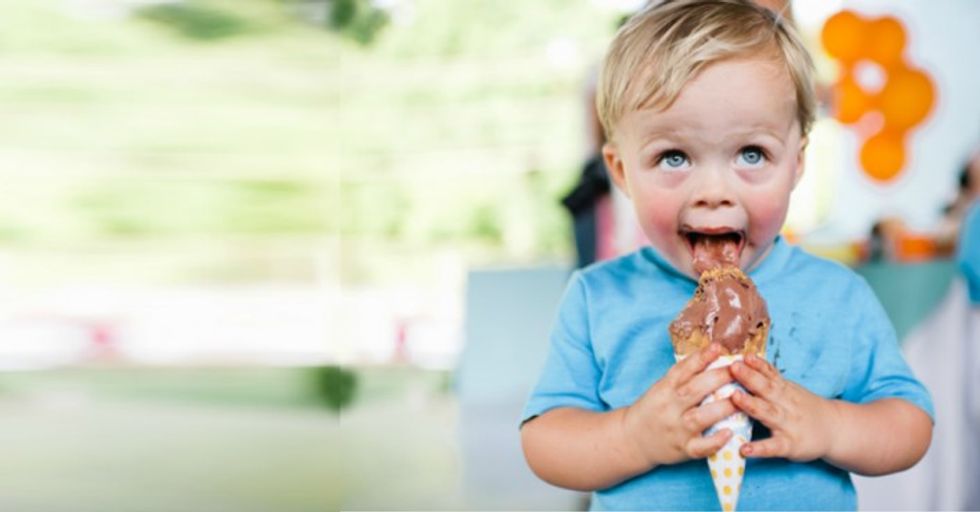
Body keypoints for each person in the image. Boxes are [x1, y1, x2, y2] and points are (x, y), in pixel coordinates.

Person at [519, 1, 934, 510]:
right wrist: (632, 437)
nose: (714, 191)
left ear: (796, 163)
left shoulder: (839, 294)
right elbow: (544, 441)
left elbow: (911, 424)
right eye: (674, 156)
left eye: (751, 154)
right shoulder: (596, 297)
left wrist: (829, 426)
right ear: (622, 171)